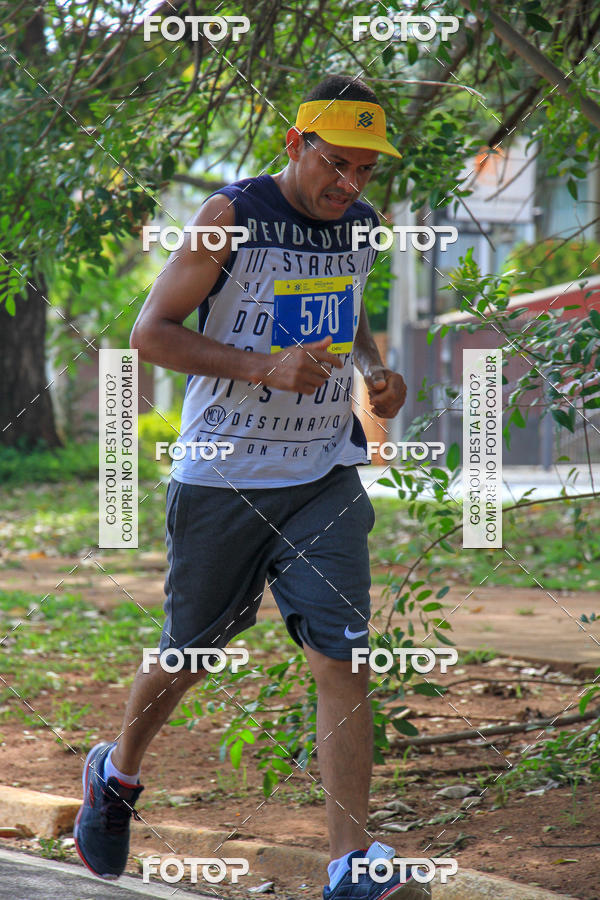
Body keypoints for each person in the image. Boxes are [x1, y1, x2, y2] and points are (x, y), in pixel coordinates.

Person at [75, 73, 427, 899]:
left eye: (365, 170)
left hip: (322, 476)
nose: (350, 184)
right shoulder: (230, 216)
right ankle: (116, 772)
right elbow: (150, 334)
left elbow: (348, 311)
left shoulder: (362, 227)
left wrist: (376, 375)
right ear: (297, 145)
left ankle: (349, 863)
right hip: (223, 476)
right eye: (336, 163)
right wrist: (262, 366)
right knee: (188, 653)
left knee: (344, 658)